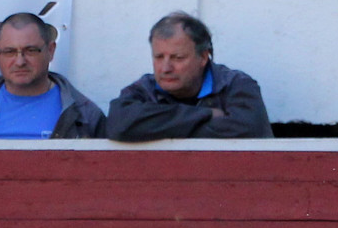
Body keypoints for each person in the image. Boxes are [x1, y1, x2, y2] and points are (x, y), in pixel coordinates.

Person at [0, 13, 106, 139]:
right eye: (9, 52)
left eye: (30, 50)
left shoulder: (85, 116)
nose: (20, 62)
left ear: (51, 51)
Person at [108, 12, 273, 140]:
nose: (165, 68)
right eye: (158, 57)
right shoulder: (143, 90)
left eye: (177, 58)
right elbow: (119, 125)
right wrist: (206, 114)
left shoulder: (236, 85)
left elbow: (248, 130)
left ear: (203, 57)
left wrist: (155, 127)